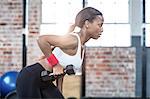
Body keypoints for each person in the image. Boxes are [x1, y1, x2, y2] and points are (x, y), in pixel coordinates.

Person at [16, 7, 104, 99]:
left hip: (45, 80)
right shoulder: (73, 40)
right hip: (31, 77)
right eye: (99, 25)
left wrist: (59, 92)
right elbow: (42, 40)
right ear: (87, 24)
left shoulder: (81, 46)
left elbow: (61, 72)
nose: (102, 29)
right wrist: (55, 65)